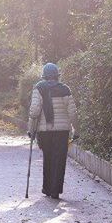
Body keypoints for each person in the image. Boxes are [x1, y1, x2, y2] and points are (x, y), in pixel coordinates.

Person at [27, 63, 78, 199]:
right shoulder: (65, 89)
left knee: (48, 158)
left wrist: (31, 130)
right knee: (59, 160)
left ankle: (47, 188)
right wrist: (76, 129)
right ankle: (56, 190)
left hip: (45, 131)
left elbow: (34, 111)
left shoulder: (39, 88)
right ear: (57, 76)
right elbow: (72, 112)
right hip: (62, 131)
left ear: (44, 76)